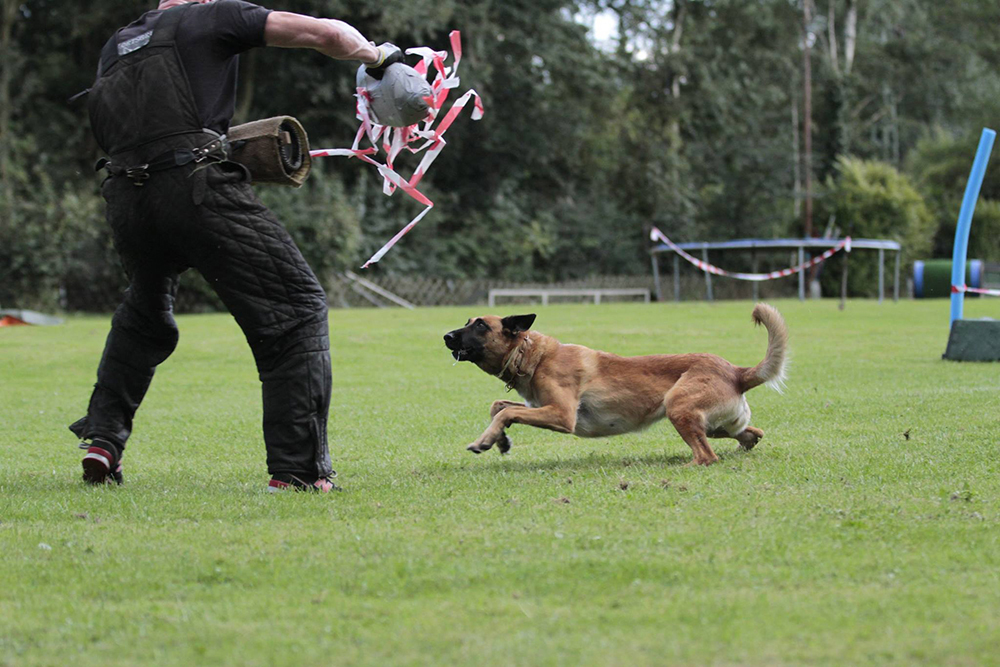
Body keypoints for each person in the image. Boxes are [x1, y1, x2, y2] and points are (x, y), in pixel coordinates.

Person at [72, 0, 402, 492]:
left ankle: (103, 439)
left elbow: (149, 126)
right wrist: (378, 56)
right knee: (296, 312)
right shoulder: (212, 16)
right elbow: (324, 34)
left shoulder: (117, 44)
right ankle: (298, 472)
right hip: (196, 189)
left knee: (144, 314)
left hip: (126, 198)